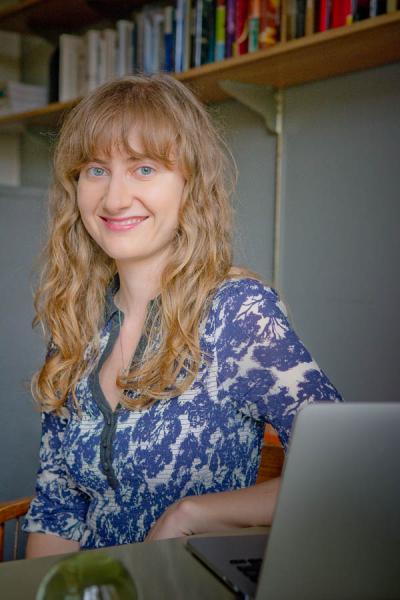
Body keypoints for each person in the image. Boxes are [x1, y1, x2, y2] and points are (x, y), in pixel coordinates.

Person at [23, 74, 341, 558]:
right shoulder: (77, 319)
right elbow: (58, 504)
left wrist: (192, 514)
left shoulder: (239, 311)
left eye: (144, 168)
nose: (114, 198)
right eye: (95, 169)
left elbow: (344, 474)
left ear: (190, 184)